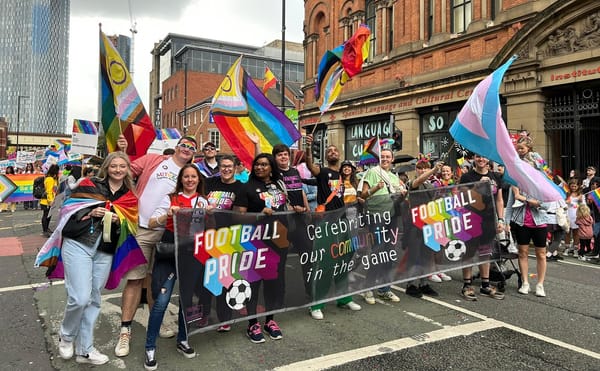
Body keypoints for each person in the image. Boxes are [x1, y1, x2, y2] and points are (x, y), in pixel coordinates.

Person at [114, 135, 197, 357]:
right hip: (141, 228)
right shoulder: (154, 160)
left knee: (155, 282)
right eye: (184, 145)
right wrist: (122, 150)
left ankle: (156, 322)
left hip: (169, 236)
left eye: (191, 147)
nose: (187, 149)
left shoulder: (191, 175)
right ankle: (125, 331)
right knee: (135, 279)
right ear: (177, 147)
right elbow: (123, 170)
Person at [57, 152, 136, 365]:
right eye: (114, 166)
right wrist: (91, 213)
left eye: (122, 166)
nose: (118, 170)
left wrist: (120, 221)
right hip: (79, 243)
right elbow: (67, 210)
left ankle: (85, 350)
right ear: (107, 168)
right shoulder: (90, 184)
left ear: (127, 169)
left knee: (93, 299)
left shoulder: (129, 195)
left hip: (105, 248)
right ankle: (66, 335)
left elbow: (132, 224)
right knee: (80, 297)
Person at [143, 164, 209, 370]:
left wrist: (211, 215)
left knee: (187, 300)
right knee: (161, 301)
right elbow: (152, 223)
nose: (190, 180)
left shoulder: (204, 201)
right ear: (181, 179)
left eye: (193, 177)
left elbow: (208, 229)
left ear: (198, 180)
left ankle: (183, 339)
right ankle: (150, 346)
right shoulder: (170, 199)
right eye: (186, 176)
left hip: (191, 253)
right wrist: (167, 214)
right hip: (170, 251)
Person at [304, 134, 362, 320]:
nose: (332, 152)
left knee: (345, 258)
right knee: (326, 262)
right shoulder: (322, 172)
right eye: (329, 150)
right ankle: (316, 304)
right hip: (326, 222)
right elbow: (309, 166)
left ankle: (344, 298)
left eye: (335, 150)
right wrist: (308, 148)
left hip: (343, 222)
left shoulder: (344, 177)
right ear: (326, 156)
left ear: (340, 154)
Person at [234, 153, 290, 343]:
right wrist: (258, 213)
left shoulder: (279, 185)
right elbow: (237, 216)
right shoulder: (246, 188)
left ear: (272, 167)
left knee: (274, 282)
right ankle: (252, 323)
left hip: (278, 241)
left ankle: (270, 320)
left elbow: (284, 207)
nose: (259, 168)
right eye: (257, 165)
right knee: (253, 283)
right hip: (255, 242)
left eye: (264, 165)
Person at [204, 155, 246, 332]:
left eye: (229, 166)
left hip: (228, 238)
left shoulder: (240, 188)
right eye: (223, 166)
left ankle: (225, 318)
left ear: (236, 167)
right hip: (207, 236)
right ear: (218, 167)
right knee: (205, 278)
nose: (226, 169)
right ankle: (204, 314)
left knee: (225, 277)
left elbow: (240, 215)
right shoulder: (209, 184)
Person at [359, 149, 406, 304]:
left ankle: (385, 289)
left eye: (388, 157)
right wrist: (376, 188)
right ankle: (368, 288)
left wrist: (403, 196)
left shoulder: (394, 177)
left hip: (391, 218)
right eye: (383, 156)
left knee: (390, 253)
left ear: (392, 159)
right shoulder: (373, 172)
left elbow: (396, 200)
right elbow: (363, 195)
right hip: (376, 217)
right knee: (378, 252)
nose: (385, 159)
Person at [459, 154, 506, 300]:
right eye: (478, 157)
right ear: (474, 158)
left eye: (484, 157)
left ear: (488, 160)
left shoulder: (495, 177)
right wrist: (478, 185)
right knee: (469, 252)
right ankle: (467, 284)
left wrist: (501, 219)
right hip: (471, 218)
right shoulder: (467, 177)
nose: (481, 160)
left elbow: (499, 200)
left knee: (485, 251)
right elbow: (461, 198)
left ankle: (485, 284)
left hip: (488, 219)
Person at [404, 157, 442, 298]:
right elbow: (418, 181)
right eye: (420, 168)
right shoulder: (412, 183)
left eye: (425, 167)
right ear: (416, 170)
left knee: (427, 254)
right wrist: (433, 170)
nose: (423, 170)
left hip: (429, 222)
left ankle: (424, 283)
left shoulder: (431, 186)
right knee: (414, 254)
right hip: (415, 223)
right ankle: (411, 284)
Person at [564, 179, 584, 257]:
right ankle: (567, 248)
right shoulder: (567, 194)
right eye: (572, 186)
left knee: (576, 233)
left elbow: (583, 206)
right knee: (567, 232)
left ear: (578, 186)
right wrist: (568, 202)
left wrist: (581, 201)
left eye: (575, 186)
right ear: (570, 186)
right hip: (568, 214)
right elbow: (563, 202)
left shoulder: (581, 195)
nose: (574, 187)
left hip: (576, 215)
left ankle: (575, 249)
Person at [40, 164, 59, 237]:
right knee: (46, 215)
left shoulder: (52, 179)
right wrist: (50, 201)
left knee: (49, 215)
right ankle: (45, 230)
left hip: (51, 200)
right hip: (47, 201)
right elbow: (49, 191)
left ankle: (46, 228)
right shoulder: (50, 179)